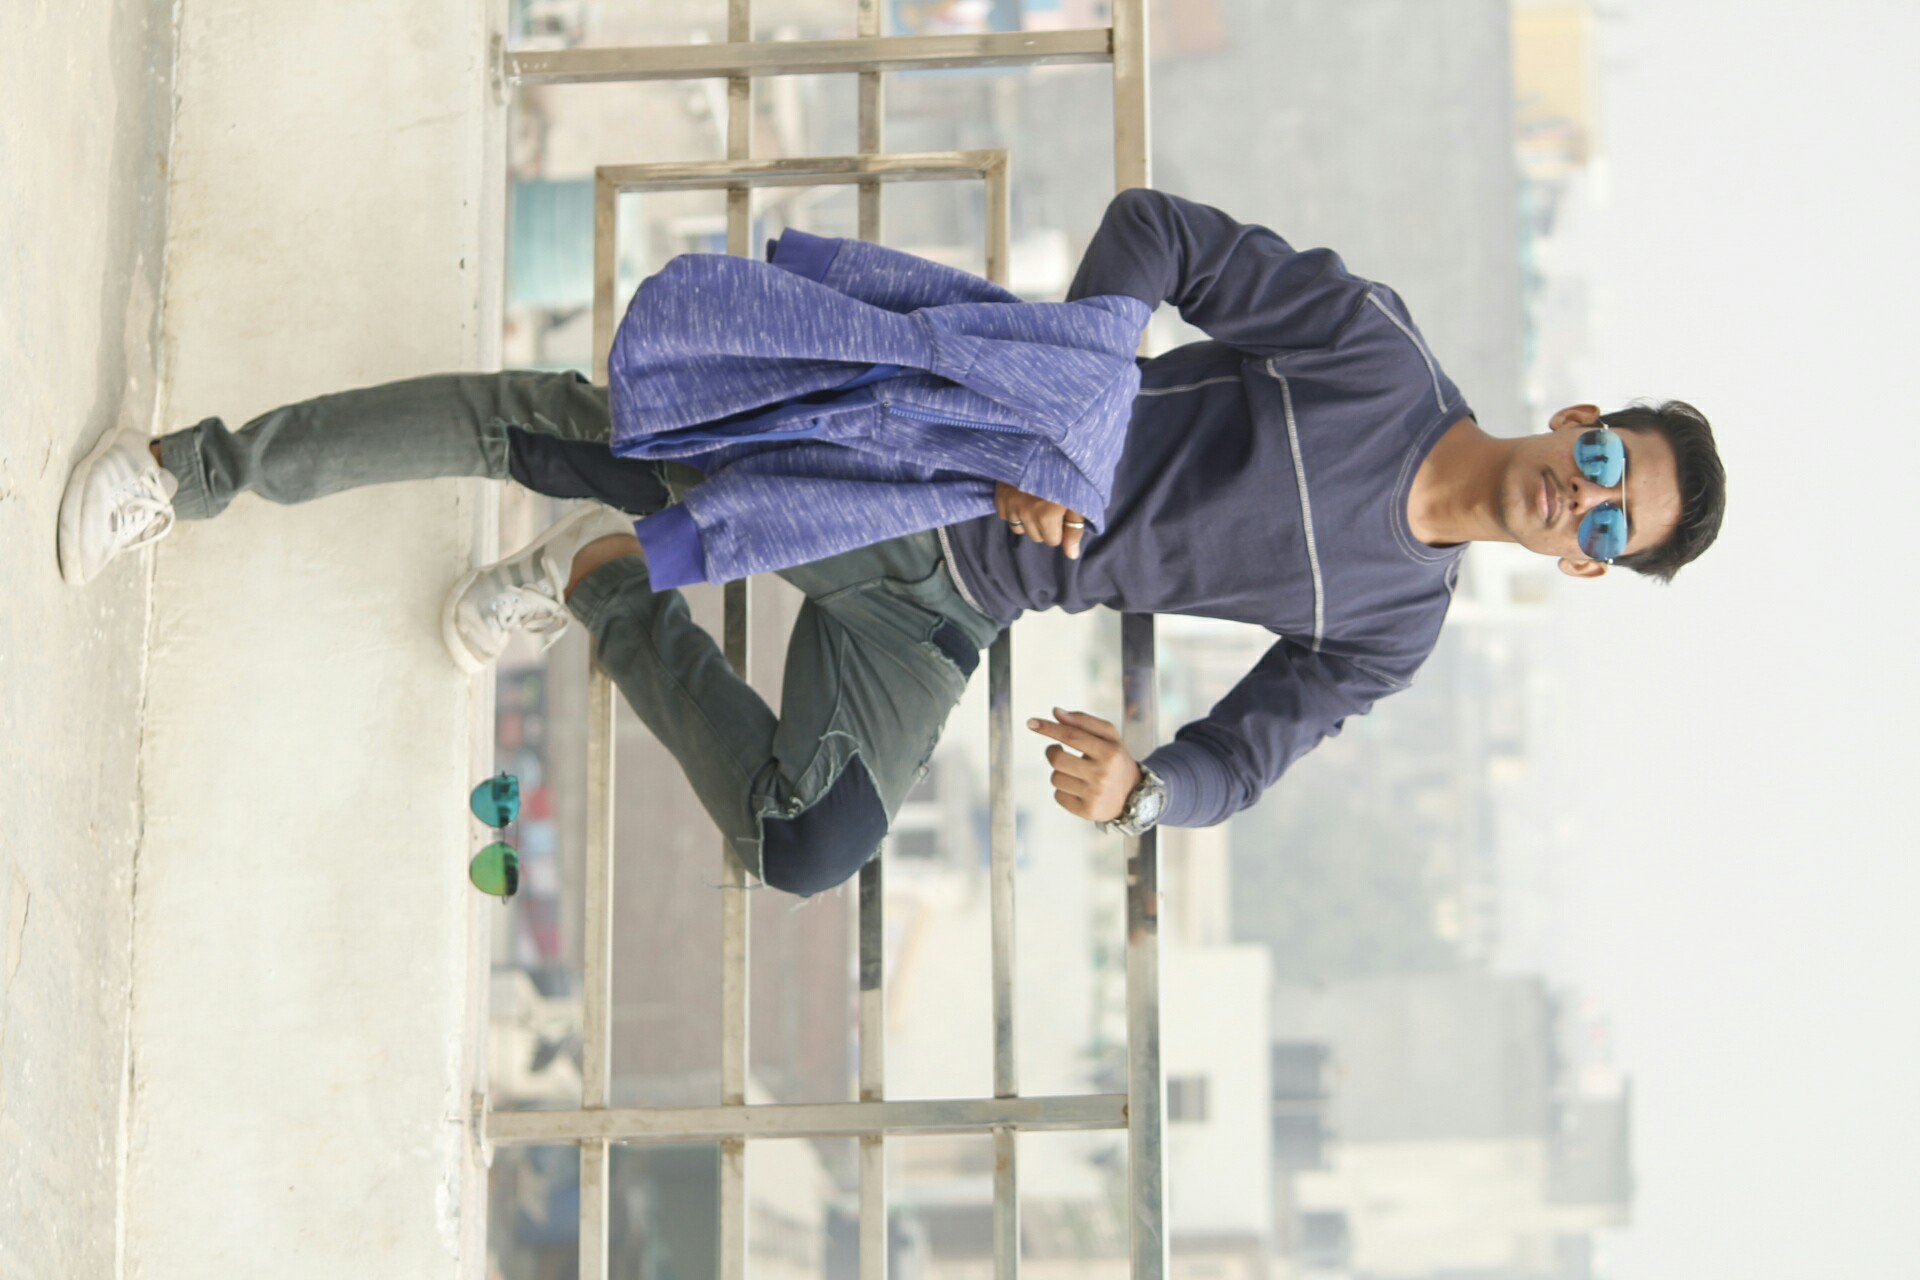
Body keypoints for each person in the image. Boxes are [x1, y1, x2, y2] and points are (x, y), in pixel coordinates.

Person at [57, 189, 1726, 897]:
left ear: (1586, 565)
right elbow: (1157, 235)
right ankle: (187, 472)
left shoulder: (1399, 625)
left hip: (950, 618)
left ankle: (602, 583)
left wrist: (1148, 790)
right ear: (1578, 414)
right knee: (547, 424)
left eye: (1607, 521)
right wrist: (1066, 423)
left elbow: (1255, 750)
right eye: (1602, 461)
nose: (1576, 495)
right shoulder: (1373, 350)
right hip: (917, 469)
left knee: (812, 844)